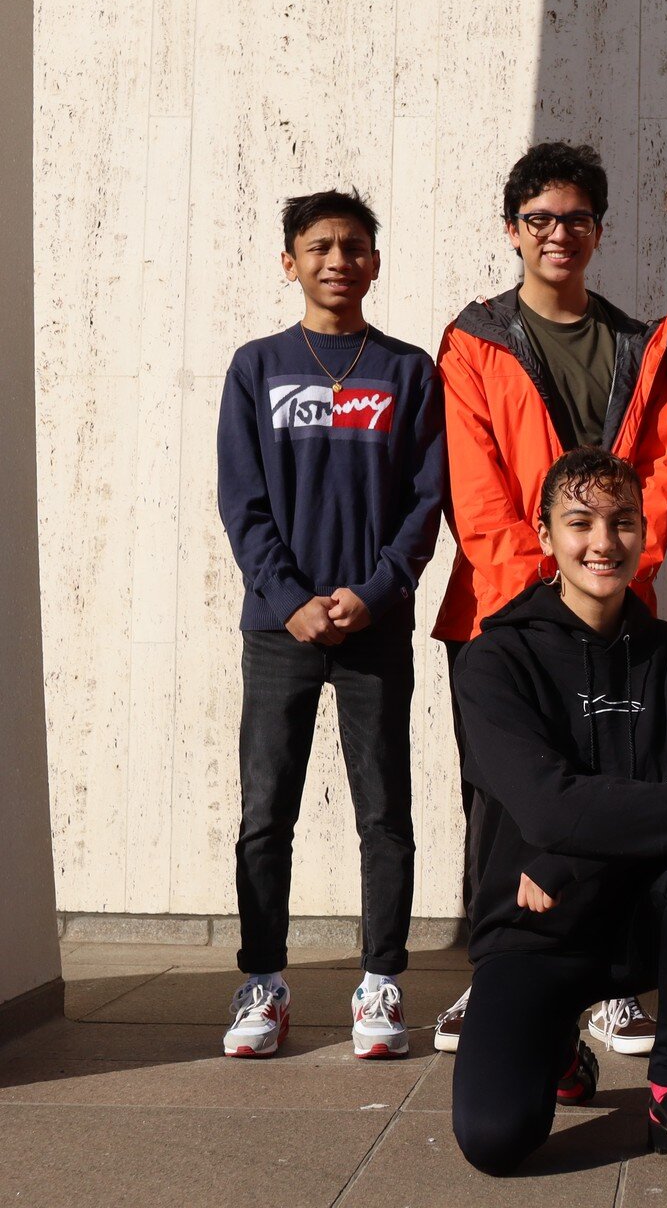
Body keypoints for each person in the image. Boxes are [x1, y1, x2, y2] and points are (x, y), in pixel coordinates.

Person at [430, 142, 667, 1056]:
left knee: (620, 787)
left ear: (598, 230)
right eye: (539, 219)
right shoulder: (474, 342)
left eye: (575, 218)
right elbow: (477, 488)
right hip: (502, 618)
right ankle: (495, 977)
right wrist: (538, 598)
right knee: (502, 801)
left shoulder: (637, 341)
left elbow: (660, 470)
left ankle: (611, 980)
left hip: (616, 611)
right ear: (512, 231)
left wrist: (619, 574)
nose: (558, 234)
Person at [449, 447, 667, 1177]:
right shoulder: (495, 660)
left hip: (644, 924)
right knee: (495, 1141)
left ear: (644, 530)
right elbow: (548, 806)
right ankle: (557, 1045)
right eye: (581, 522)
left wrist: (572, 845)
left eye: (623, 522)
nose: (604, 542)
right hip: (536, 931)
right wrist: (568, 840)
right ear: (545, 532)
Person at [217, 189, 446, 1059]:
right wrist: (291, 599)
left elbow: (428, 502)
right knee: (264, 811)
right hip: (279, 628)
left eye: (354, 246)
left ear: (375, 263)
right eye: (318, 247)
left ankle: (381, 979)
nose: (337, 260)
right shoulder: (256, 366)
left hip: (373, 625)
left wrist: (377, 590)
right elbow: (242, 503)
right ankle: (263, 984)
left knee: (383, 809)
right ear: (290, 261)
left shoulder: (407, 370)